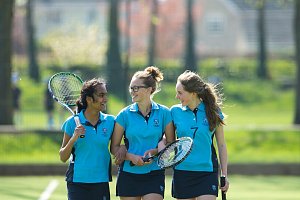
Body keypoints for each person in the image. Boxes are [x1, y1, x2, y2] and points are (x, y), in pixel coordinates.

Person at [110, 66, 175, 200]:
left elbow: (170, 143)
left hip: (154, 173)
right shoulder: (124, 115)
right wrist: (131, 157)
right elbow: (114, 147)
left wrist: (155, 151)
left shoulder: (165, 113)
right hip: (128, 173)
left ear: (149, 89)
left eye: (136, 88)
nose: (132, 92)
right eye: (131, 88)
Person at [59, 78, 126, 200]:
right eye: (101, 95)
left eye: (105, 95)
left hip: (101, 180)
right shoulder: (71, 123)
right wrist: (74, 138)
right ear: (89, 99)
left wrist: (122, 147)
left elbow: (117, 145)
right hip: (77, 181)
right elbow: (63, 157)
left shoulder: (111, 121)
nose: (105, 99)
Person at [170, 70, 229, 200]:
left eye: (180, 93)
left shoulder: (213, 111)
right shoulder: (174, 112)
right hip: (183, 172)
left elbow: (222, 145)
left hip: (207, 172)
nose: (177, 96)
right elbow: (168, 139)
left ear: (193, 93)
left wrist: (224, 174)